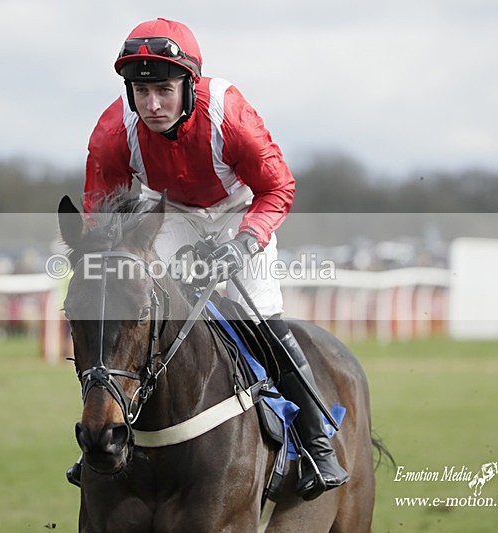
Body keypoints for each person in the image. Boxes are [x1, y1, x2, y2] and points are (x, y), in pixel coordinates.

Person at [69, 17, 348, 500]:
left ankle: (316, 442)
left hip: (241, 209)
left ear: (189, 85)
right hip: (169, 211)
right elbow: (99, 212)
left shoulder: (230, 116)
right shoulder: (114, 129)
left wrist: (243, 243)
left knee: (261, 316)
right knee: (137, 316)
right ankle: (108, 435)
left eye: (164, 91)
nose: (151, 105)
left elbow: (277, 186)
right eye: (140, 92)